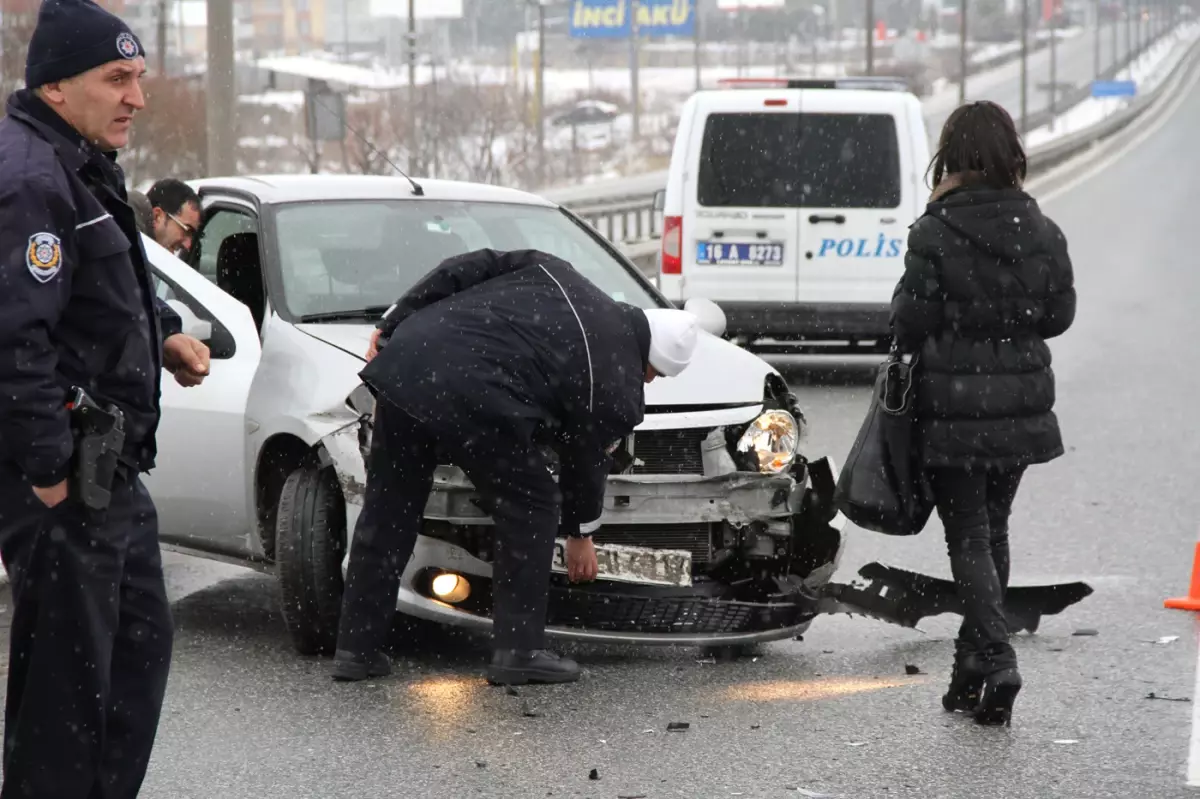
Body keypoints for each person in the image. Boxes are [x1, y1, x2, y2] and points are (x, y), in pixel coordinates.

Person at [0, 1, 212, 796]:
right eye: (116, 78)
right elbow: (13, 339)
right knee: (65, 697)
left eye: (140, 78)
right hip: (64, 481)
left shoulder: (82, 162)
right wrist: (50, 472)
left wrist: (164, 334)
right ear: (57, 86)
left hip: (112, 472)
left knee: (131, 661)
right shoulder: (28, 180)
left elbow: (105, 290)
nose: (137, 97)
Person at [333, 248, 700, 686]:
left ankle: (356, 648)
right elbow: (584, 460)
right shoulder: (616, 379)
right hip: (475, 396)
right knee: (532, 505)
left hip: (409, 363)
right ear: (648, 357)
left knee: (389, 509)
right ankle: (518, 652)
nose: (648, 382)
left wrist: (392, 321)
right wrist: (581, 533)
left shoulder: (556, 269)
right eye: (654, 373)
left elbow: (465, 266)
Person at [890, 100, 1076, 727]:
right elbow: (1058, 316)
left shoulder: (936, 230)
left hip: (955, 406)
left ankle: (995, 658)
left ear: (952, 157)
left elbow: (909, 324)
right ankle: (971, 667)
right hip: (1020, 405)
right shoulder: (1041, 229)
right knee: (993, 532)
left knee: (968, 535)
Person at [145, 176, 200, 257]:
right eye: (187, 231)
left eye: (192, 235)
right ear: (157, 216)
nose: (188, 245)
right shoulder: (126, 258)